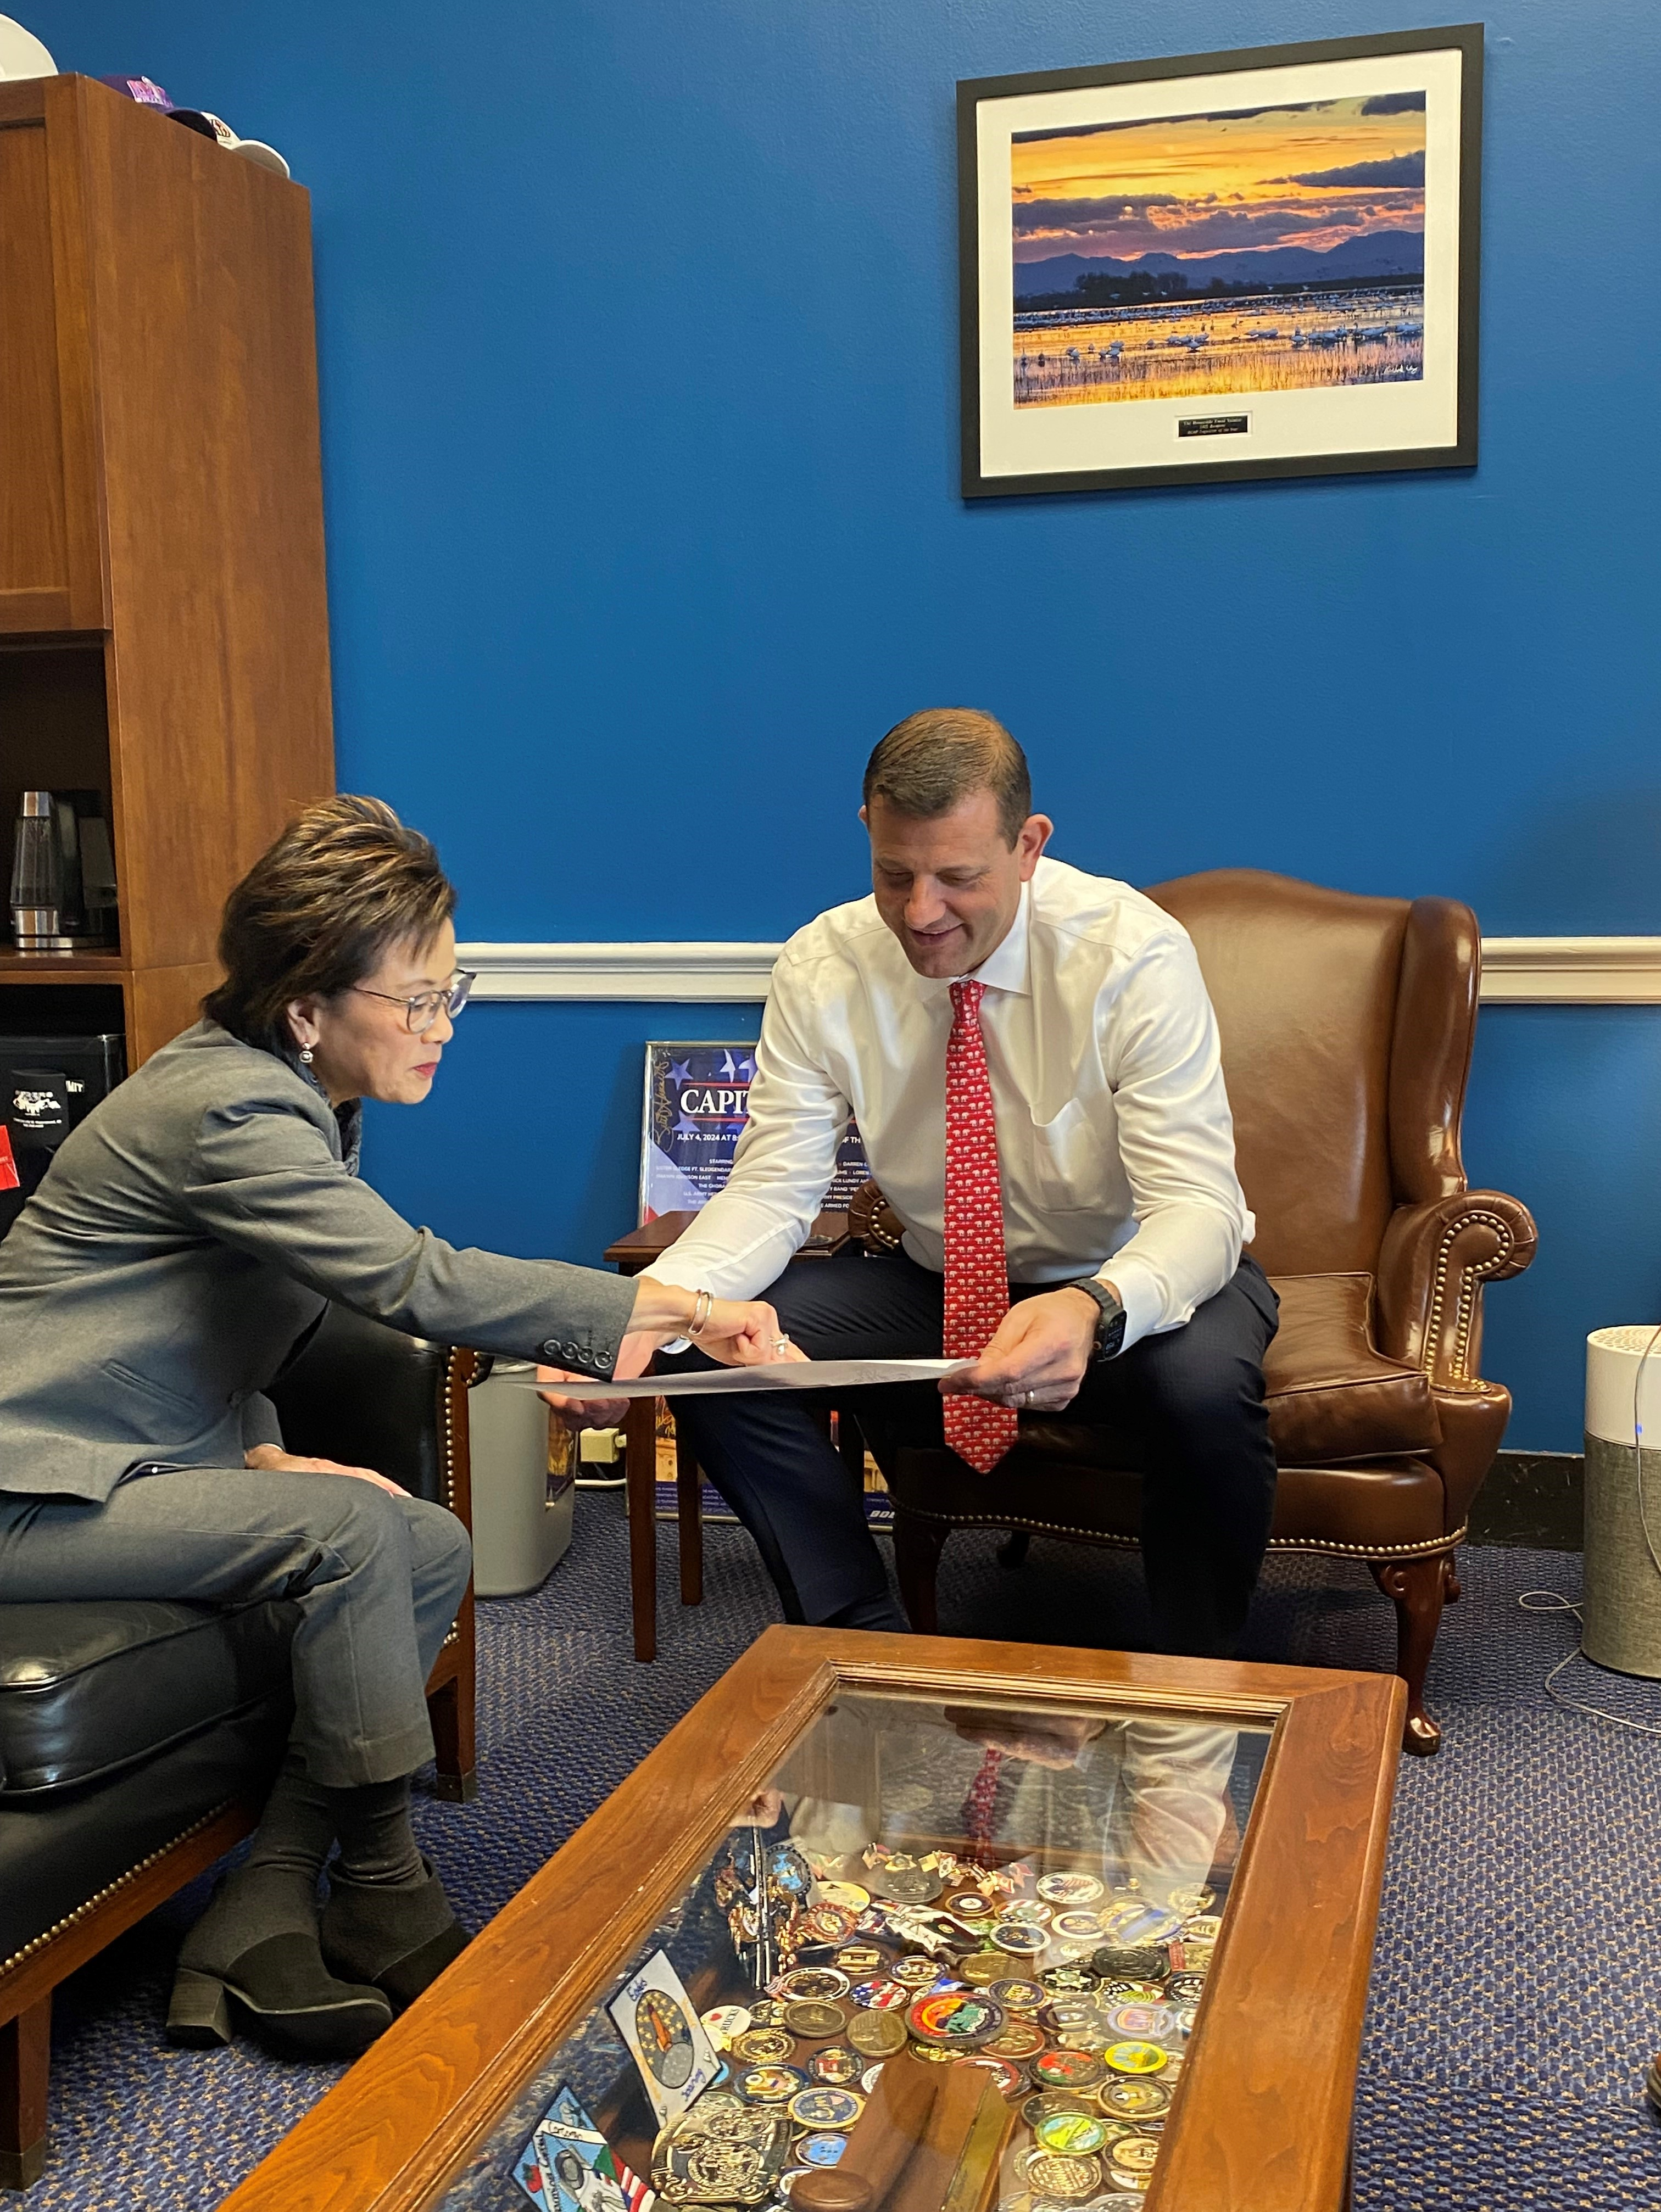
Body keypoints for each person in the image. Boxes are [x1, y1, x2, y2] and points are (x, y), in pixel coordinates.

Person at [0, 796, 787, 2059]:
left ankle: (264, 1906)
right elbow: (416, 1280)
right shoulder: (229, 1112)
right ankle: (386, 1886)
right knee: (361, 1533)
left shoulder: (285, 1092)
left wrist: (249, 1445)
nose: (441, 1027)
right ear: (308, 1007)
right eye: (414, 1000)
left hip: (102, 1465)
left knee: (423, 1541)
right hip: (25, 1494)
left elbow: (210, 1315)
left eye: (449, 988)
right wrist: (682, 1302)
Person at [545, 709, 1278, 1657]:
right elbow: (774, 1190)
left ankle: (1197, 1693)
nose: (922, 912)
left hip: (1132, 1279)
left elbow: (1199, 1208)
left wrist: (1096, 1303)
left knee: (1205, 1393)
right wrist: (644, 1312)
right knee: (700, 1349)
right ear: (867, 832)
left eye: (959, 878)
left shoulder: (1131, 956)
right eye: (897, 874)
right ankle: (866, 1652)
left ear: (1028, 846)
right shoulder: (826, 963)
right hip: (939, 1281)